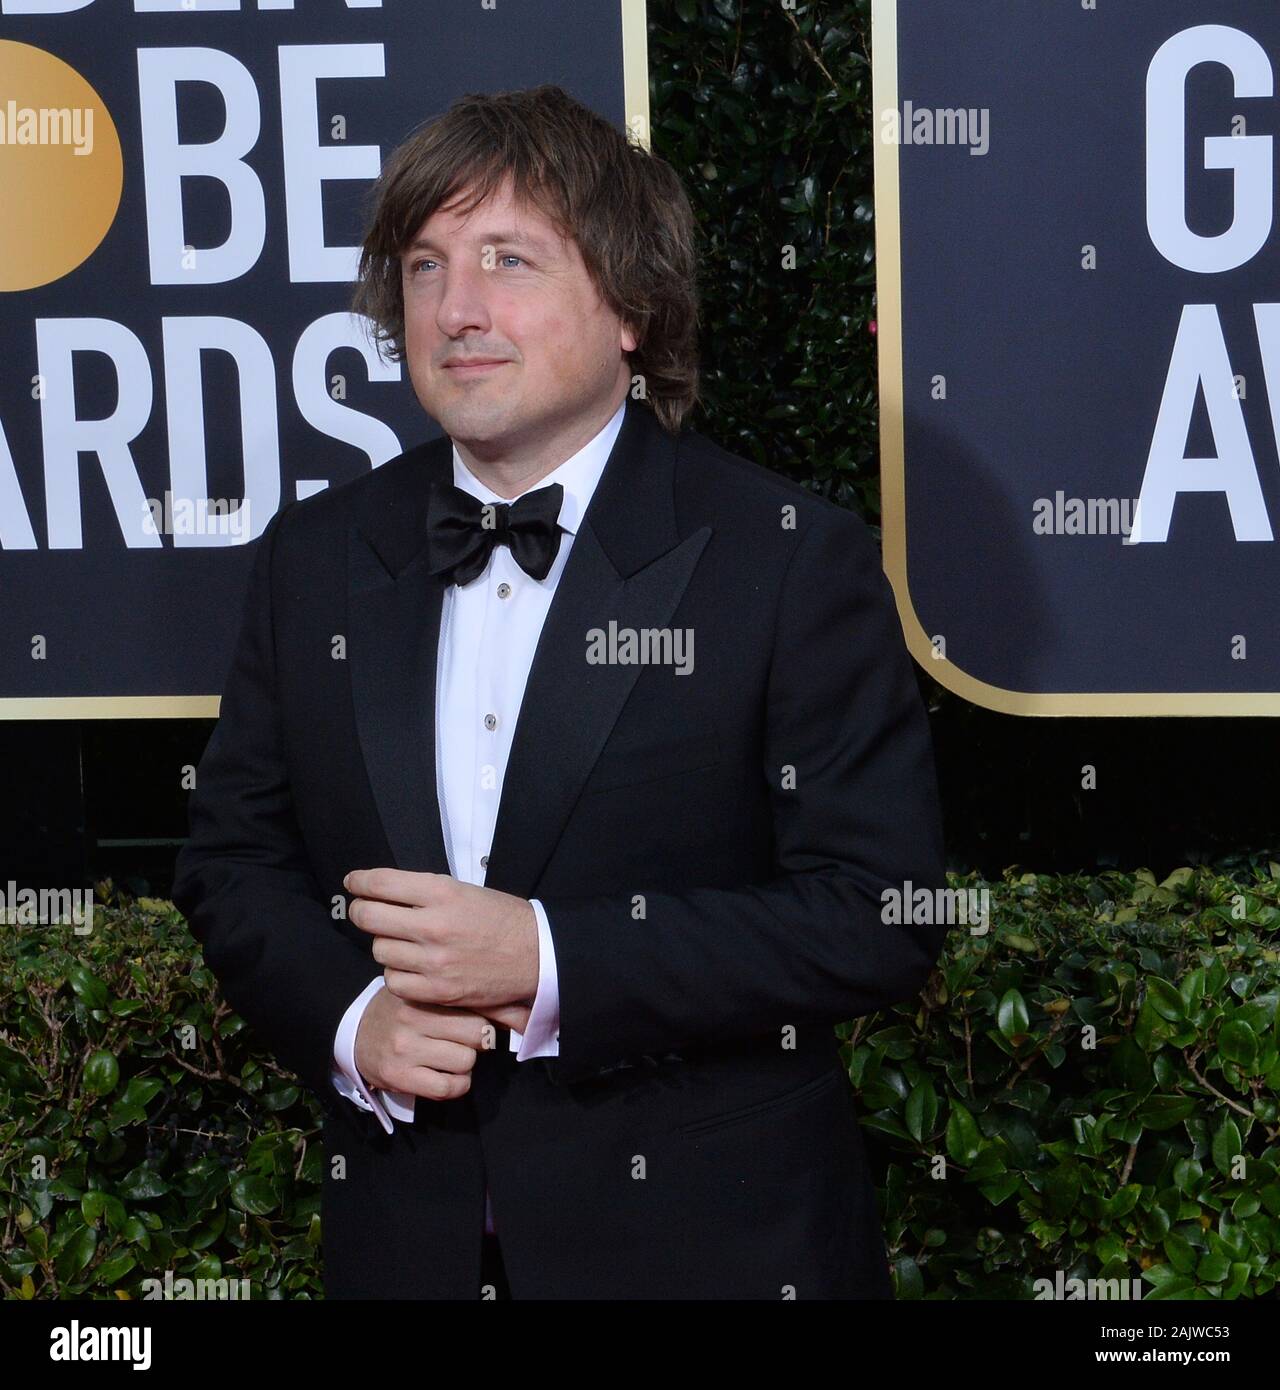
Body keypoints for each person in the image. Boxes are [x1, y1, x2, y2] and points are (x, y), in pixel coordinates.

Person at [171, 84, 948, 1300]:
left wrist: (548, 958)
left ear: (632, 306)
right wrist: (349, 1020)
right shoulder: (315, 558)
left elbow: (878, 909)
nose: (456, 310)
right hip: (402, 1248)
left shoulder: (787, 556)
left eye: (506, 260)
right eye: (423, 268)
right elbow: (228, 861)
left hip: (711, 1256)